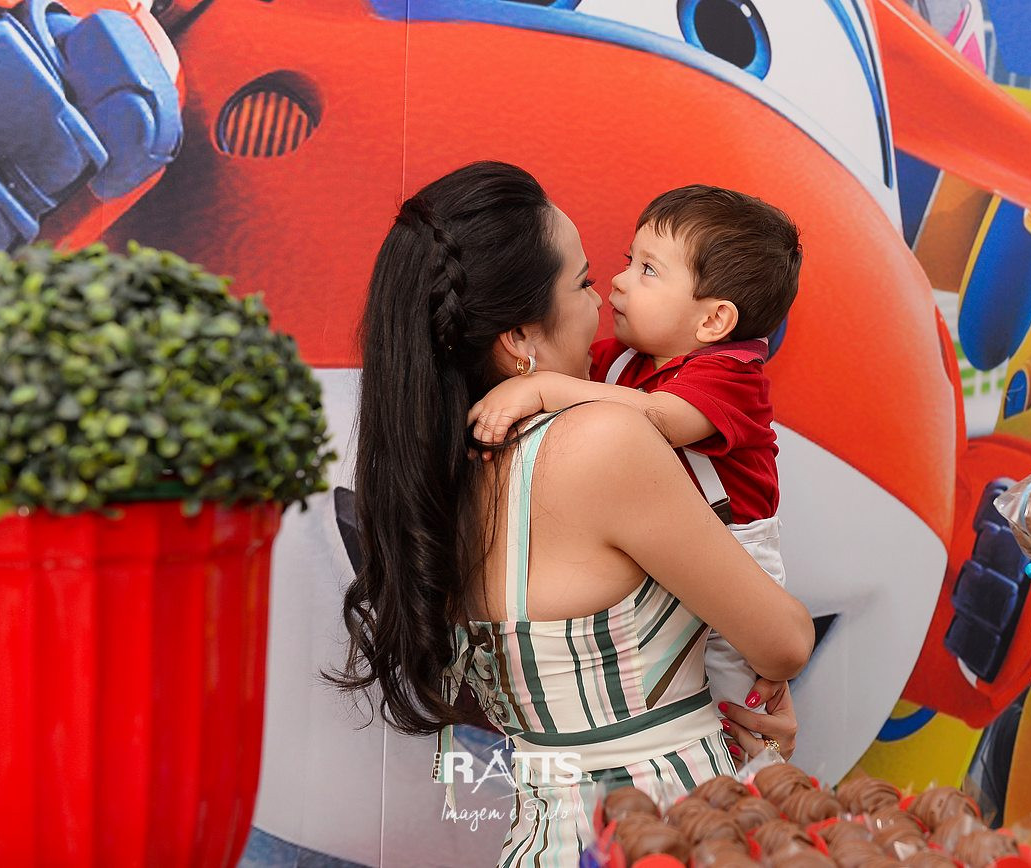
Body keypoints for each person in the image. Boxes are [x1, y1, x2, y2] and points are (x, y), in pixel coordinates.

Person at [330, 161, 813, 867]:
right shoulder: (601, 441)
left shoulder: (446, 470)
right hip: (668, 835)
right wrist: (762, 728)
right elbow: (785, 642)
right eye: (586, 282)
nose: (608, 297)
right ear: (520, 338)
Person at [467, 185, 801, 721]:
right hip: (671, 546)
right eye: (630, 261)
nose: (618, 282)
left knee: (734, 703)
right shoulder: (625, 361)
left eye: (648, 270)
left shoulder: (731, 375)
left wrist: (541, 387)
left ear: (713, 322)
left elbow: (658, 419)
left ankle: (750, 763)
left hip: (734, 551)